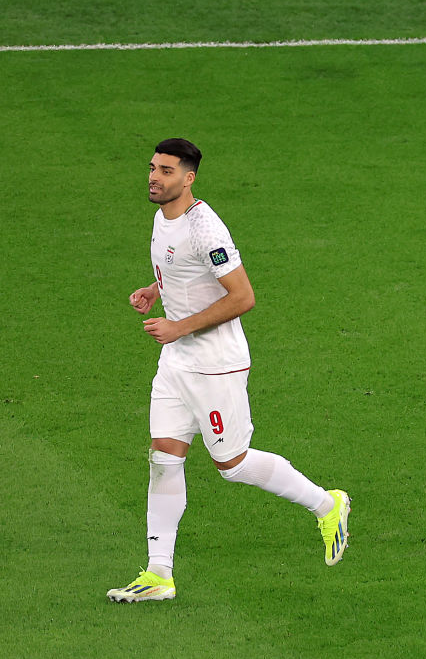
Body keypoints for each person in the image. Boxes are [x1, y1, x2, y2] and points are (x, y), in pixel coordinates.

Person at [107, 138, 351, 603]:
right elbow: (182, 272)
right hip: (177, 363)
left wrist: (178, 326)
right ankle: (160, 574)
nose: (155, 178)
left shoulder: (207, 230)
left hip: (215, 367)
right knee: (164, 457)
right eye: (153, 168)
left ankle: (328, 504)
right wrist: (155, 290)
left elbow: (243, 297)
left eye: (166, 171)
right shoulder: (162, 216)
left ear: (189, 178)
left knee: (232, 465)